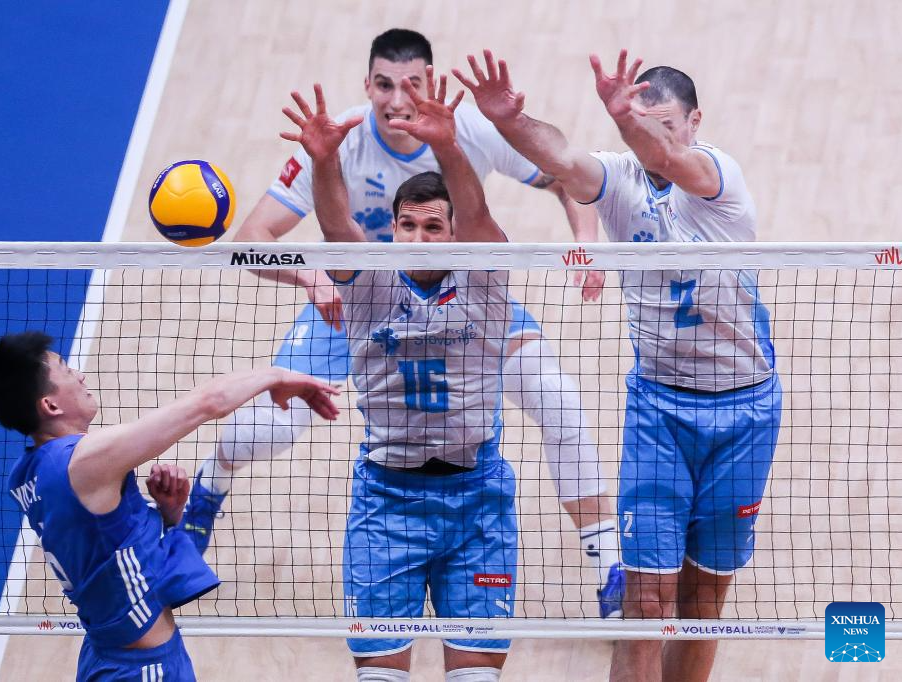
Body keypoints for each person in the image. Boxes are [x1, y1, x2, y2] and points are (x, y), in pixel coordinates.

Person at [184, 27, 625, 619]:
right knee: (268, 430)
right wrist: (311, 278)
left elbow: (566, 178)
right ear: (367, 85)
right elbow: (252, 240)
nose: (397, 101)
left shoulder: (465, 129)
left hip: (464, 304)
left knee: (557, 399)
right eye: (384, 86)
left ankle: (610, 569)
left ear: (429, 81)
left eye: (410, 84)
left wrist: (585, 243)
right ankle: (206, 491)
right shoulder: (337, 139)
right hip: (356, 309)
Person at [455, 49, 782, 682]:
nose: (658, 137)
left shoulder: (717, 175)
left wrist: (628, 121)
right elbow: (561, 158)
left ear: (693, 123)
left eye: (668, 124)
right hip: (659, 410)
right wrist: (508, 123)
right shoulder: (616, 178)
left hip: (745, 411)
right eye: (644, 123)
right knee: (645, 604)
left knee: (704, 601)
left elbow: (663, 158)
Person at [281, 68, 517, 681]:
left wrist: (447, 144)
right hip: (388, 503)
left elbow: (481, 213)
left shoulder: (486, 287)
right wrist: (325, 161)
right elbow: (337, 227)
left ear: (455, 233)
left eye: (433, 225)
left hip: (477, 501)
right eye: (407, 225)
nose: (417, 236)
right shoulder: (371, 289)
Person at [0, 331, 339, 681]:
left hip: (105, 655)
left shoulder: (26, 475)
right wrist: (276, 376)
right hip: (141, 668)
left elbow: (115, 556)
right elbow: (207, 403)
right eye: (66, 370)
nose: (81, 374)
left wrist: (168, 515)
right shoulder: (83, 464)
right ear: (51, 405)